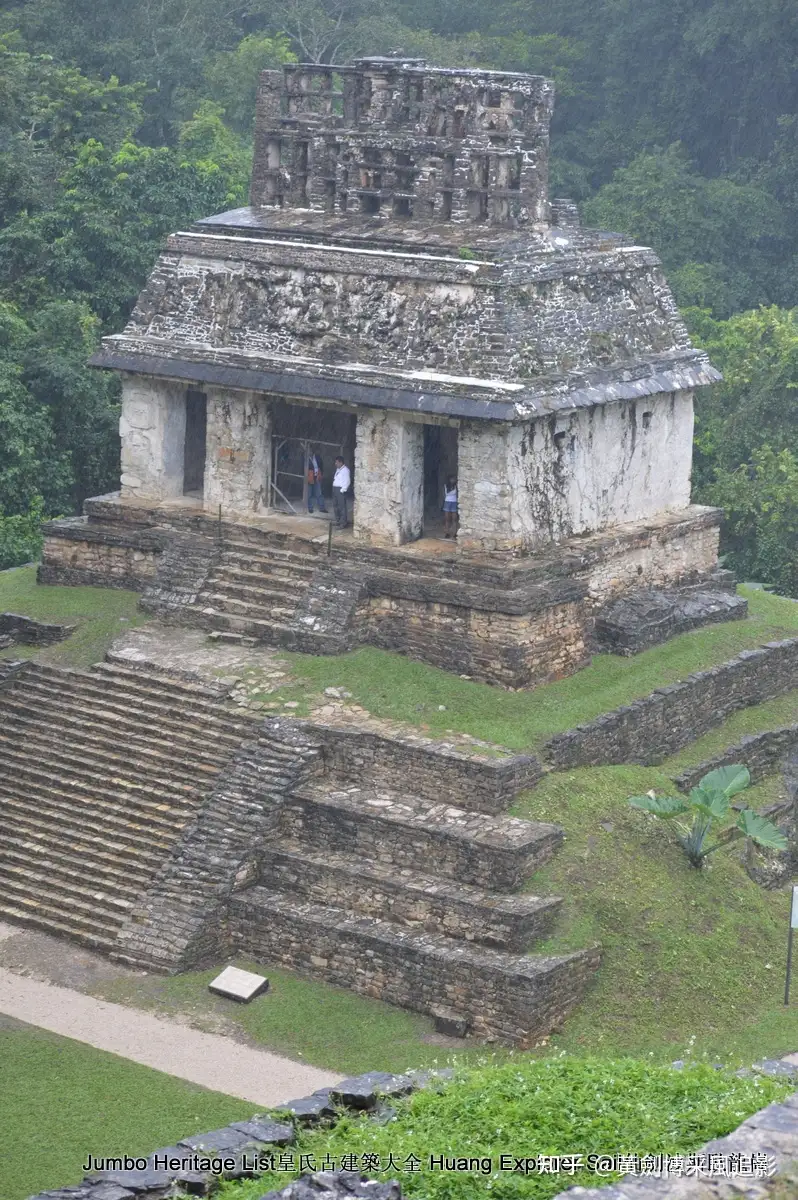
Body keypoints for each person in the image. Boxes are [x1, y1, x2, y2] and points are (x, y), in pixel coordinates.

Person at [332, 455, 351, 529]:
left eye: (336, 462)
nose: (335, 464)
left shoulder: (345, 470)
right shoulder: (338, 469)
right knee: (335, 506)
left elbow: (347, 481)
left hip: (340, 490)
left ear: (341, 462)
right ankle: (338, 521)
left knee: (341, 507)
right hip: (335, 489)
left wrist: (342, 490)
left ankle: (343, 523)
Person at [307, 450, 326, 514]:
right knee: (309, 494)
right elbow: (302, 467)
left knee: (319, 493)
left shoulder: (317, 457)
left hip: (317, 476)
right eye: (308, 451)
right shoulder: (305, 458)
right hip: (309, 477)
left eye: (311, 451)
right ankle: (310, 508)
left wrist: (321, 474)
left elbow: (321, 466)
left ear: (313, 451)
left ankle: (322, 508)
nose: (309, 452)